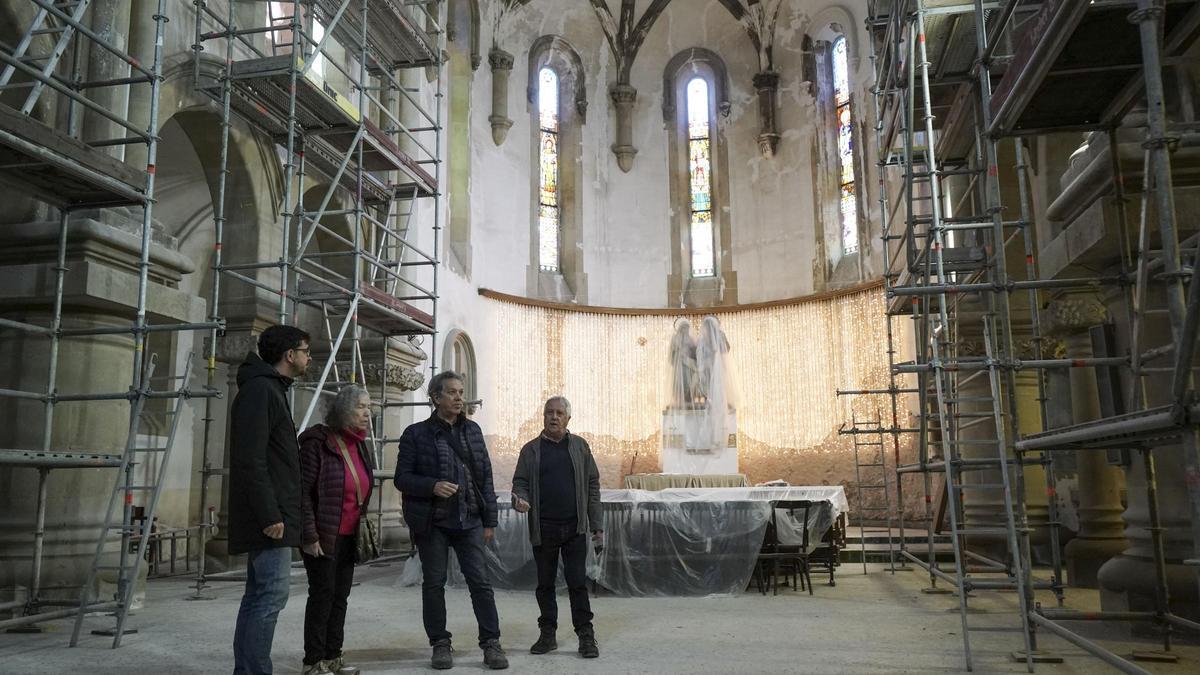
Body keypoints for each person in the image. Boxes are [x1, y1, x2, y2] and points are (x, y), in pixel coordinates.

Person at [395, 371, 508, 670]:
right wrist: (431, 485)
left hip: (469, 519)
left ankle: (491, 643)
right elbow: (402, 478)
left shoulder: (473, 432)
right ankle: (440, 643)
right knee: (434, 583)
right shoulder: (415, 434)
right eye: (453, 392)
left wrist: (490, 521)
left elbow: (485, 477)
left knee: (481, 583)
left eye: (461, 392)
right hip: (433, 522)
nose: (460, 398)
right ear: (435, 397)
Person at [229, 324, 311, 675]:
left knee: (260, 596)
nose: (309, 357)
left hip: (276, 511)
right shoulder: (262, 390)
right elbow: (251, 459)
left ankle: (248, 670)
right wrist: (270, 514)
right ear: (289, 354)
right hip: (271, 516)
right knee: (270, 597)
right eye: (305, 350)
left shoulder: (271, 389)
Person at [511, 396, 602, 659]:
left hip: (575, 529)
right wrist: (520, 498)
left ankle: (586, 635)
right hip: (544, 529)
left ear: (568, 418)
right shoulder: (530, 450)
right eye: (549, 412)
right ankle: (547, 634)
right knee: (545, 584)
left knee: (577, 583)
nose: (554, 417)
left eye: (559, 413)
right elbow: (520, 483)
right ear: (543, 417)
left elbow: (593, 486)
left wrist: (596, 524)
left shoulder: (581, 447)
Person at [296, 384, 375, 675]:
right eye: (361, 407)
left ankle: (333, 657)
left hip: (348, 535)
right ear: (343, 410)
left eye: (369, 407)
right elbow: (301, 492)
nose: (368, 413)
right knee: (322, 596)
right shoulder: (317, 442)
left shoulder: (359, 443)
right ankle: (313, 661)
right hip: (323, 534)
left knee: (340, 596)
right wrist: (309, 534)